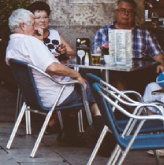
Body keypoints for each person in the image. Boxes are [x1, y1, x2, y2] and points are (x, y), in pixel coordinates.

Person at [6, 8, 100, 143]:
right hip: (55, 94)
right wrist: (77, 76)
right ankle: (104, 135)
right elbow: (52, 67)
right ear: (23, 26)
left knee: (80, 85)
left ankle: (70, 136)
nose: (35, 27)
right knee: (94, 88)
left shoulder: (13, 44)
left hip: (37, 96)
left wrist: (39, 42)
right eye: (33, 24)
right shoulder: (29, 42)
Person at [91, 0, 164, 74]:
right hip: (112, 73)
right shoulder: (103, 32)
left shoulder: (144, 33)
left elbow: (158, 54)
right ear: (116, 12)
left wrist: (162, 63)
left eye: (130, 11)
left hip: (138, 73)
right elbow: (96, 58)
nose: (126, 14)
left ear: (134, 15)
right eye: (122, 10)